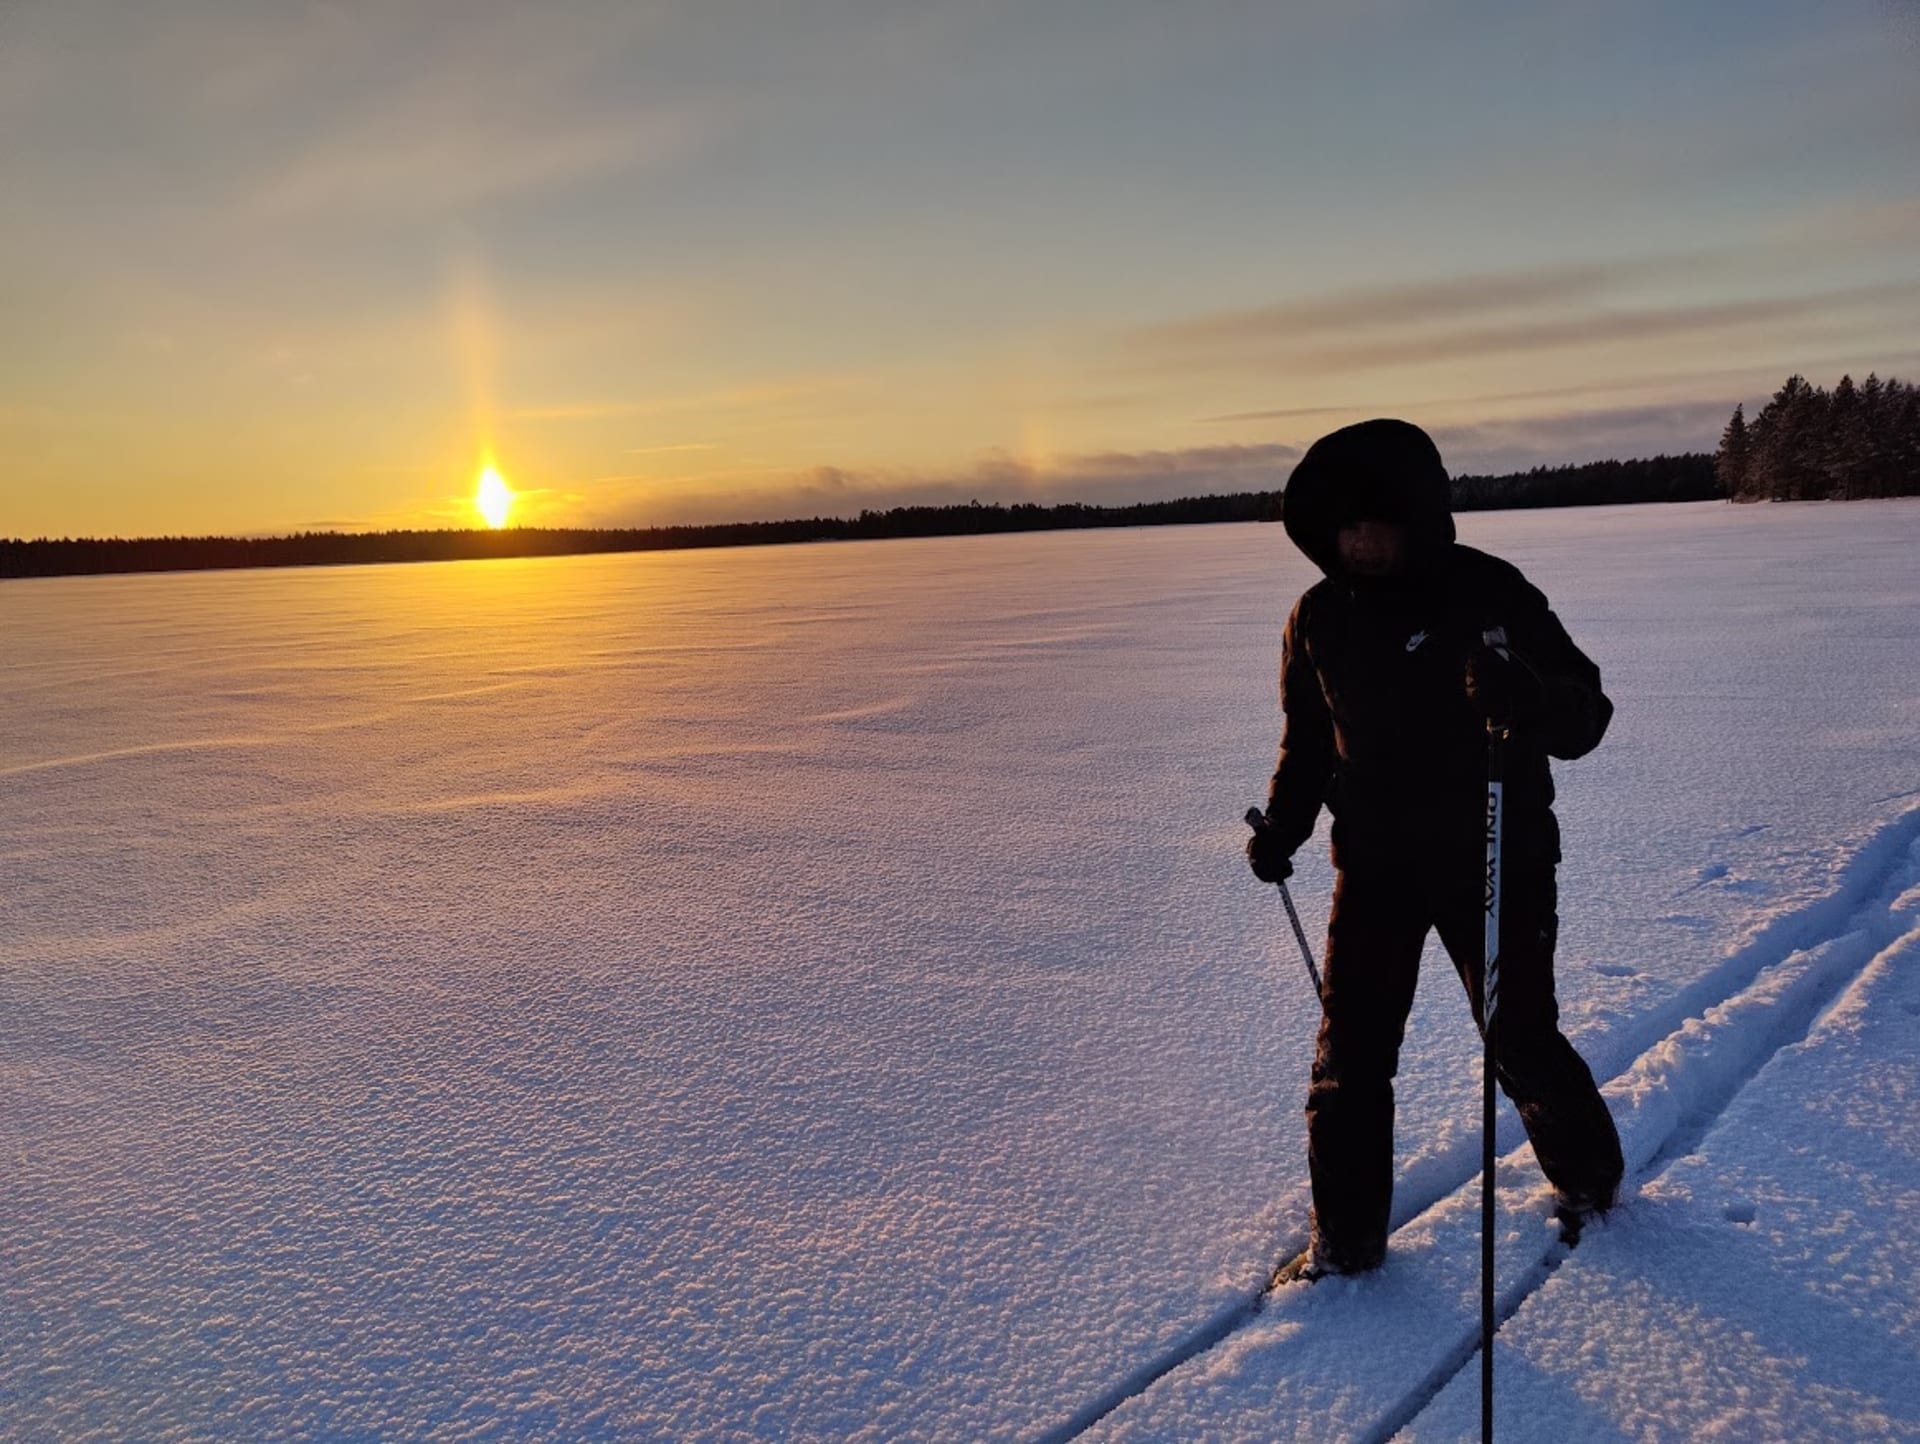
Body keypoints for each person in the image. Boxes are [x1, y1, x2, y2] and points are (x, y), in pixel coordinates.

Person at [1246, 418, 1625, 1278]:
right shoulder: (1316, 617)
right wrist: (1283, 825)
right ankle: (1345, 1244)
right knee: (1350, 1056)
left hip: (1498, 856)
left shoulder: (1489, 593)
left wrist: (1529, 697)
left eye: (1378, 524)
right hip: (1375, 867)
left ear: (1418, 518)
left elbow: (1587, 715)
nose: (1362, 542)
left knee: (1519, 1036)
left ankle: (1591, 1187)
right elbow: (1308, 740)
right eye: (1345, 528)